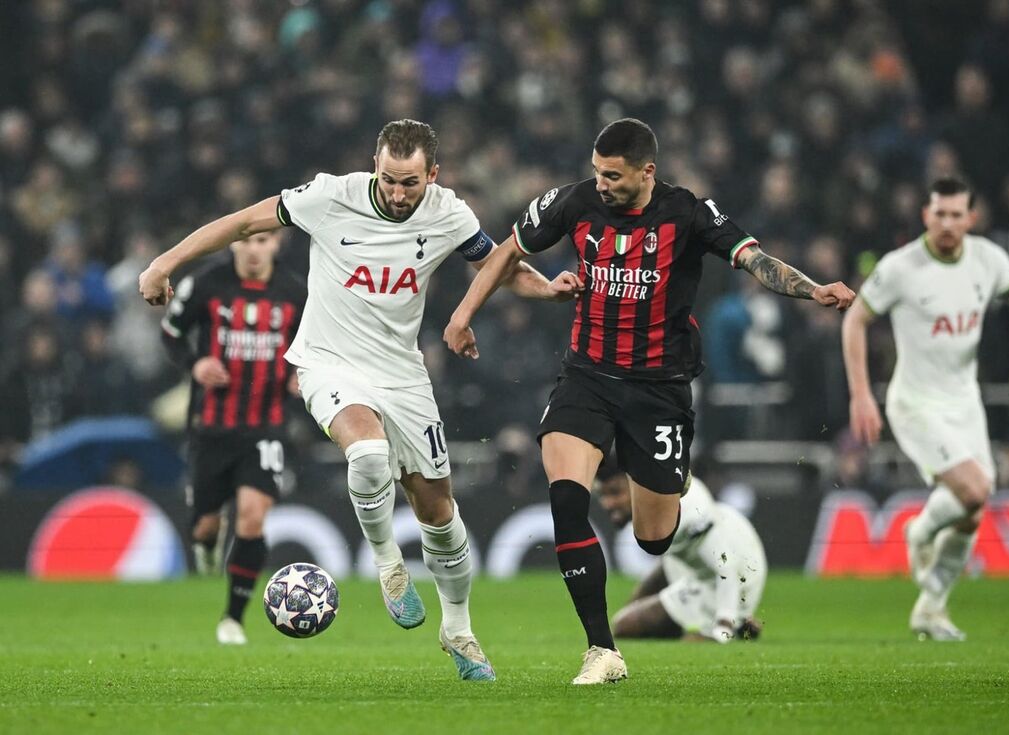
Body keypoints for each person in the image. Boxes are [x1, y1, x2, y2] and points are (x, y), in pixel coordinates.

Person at [141, 119, 576, 679]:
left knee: (439, 513)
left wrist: (547, 287)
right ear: (376, 167)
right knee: (367, 455)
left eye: (410, 184)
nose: (398, 194)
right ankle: (388, 562)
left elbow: (497, 267)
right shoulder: (329, 196)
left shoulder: (450, 212)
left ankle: (459, 631)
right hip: (327, 361)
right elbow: (243, 221)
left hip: (402, 373)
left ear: (432, 176)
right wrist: (163, 262)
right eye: (390, 180)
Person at [444, 118, 854, 684]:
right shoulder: (574, 203)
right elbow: (506, 252)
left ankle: (701, 516)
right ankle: (601, 650)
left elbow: (756, 259)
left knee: (652, 536)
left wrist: (813, 290)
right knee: (566, 497)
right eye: (597, 172)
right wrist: (463, 316)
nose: (602, 184)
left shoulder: (688, 213)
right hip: (586, 375)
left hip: (659, 390)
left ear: (647, 171)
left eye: (613, 175)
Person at [841, 176, 1009, 642]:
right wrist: (860, 393)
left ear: (971, 218)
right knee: (974, 489)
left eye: (957, 215)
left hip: (964, 401)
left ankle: (930, 608)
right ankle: (919, 534)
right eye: (940, 214)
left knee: (973, 511)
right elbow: (856, 318)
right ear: (926, 216)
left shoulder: (988, 260)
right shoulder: (901, 267)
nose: (947, 223)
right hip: (915, 402)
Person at [160, 229, 307, 645]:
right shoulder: (205, 284)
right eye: (248, 243)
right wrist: (196, 363)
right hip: (210, 425)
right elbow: (170, 332)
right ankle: (206, 542)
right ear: (234, 244)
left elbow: (315, 344)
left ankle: (233, 619)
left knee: (252, 516)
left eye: (263, 242)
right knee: (206, 527)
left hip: (266, 424)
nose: (255, 250)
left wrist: (301, 372)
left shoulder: (297, 292)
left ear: (276, 243)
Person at [595, 467, 766, 644]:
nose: (608, 503)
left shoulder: (687, 509)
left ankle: (732, 618)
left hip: (739, 571)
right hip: (702, 565)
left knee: (624, 626)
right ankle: (739, 619)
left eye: (616, 493)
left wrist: (722, 630)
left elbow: (726, 566)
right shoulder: (660, 498)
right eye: (603, 494)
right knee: (625, 615)